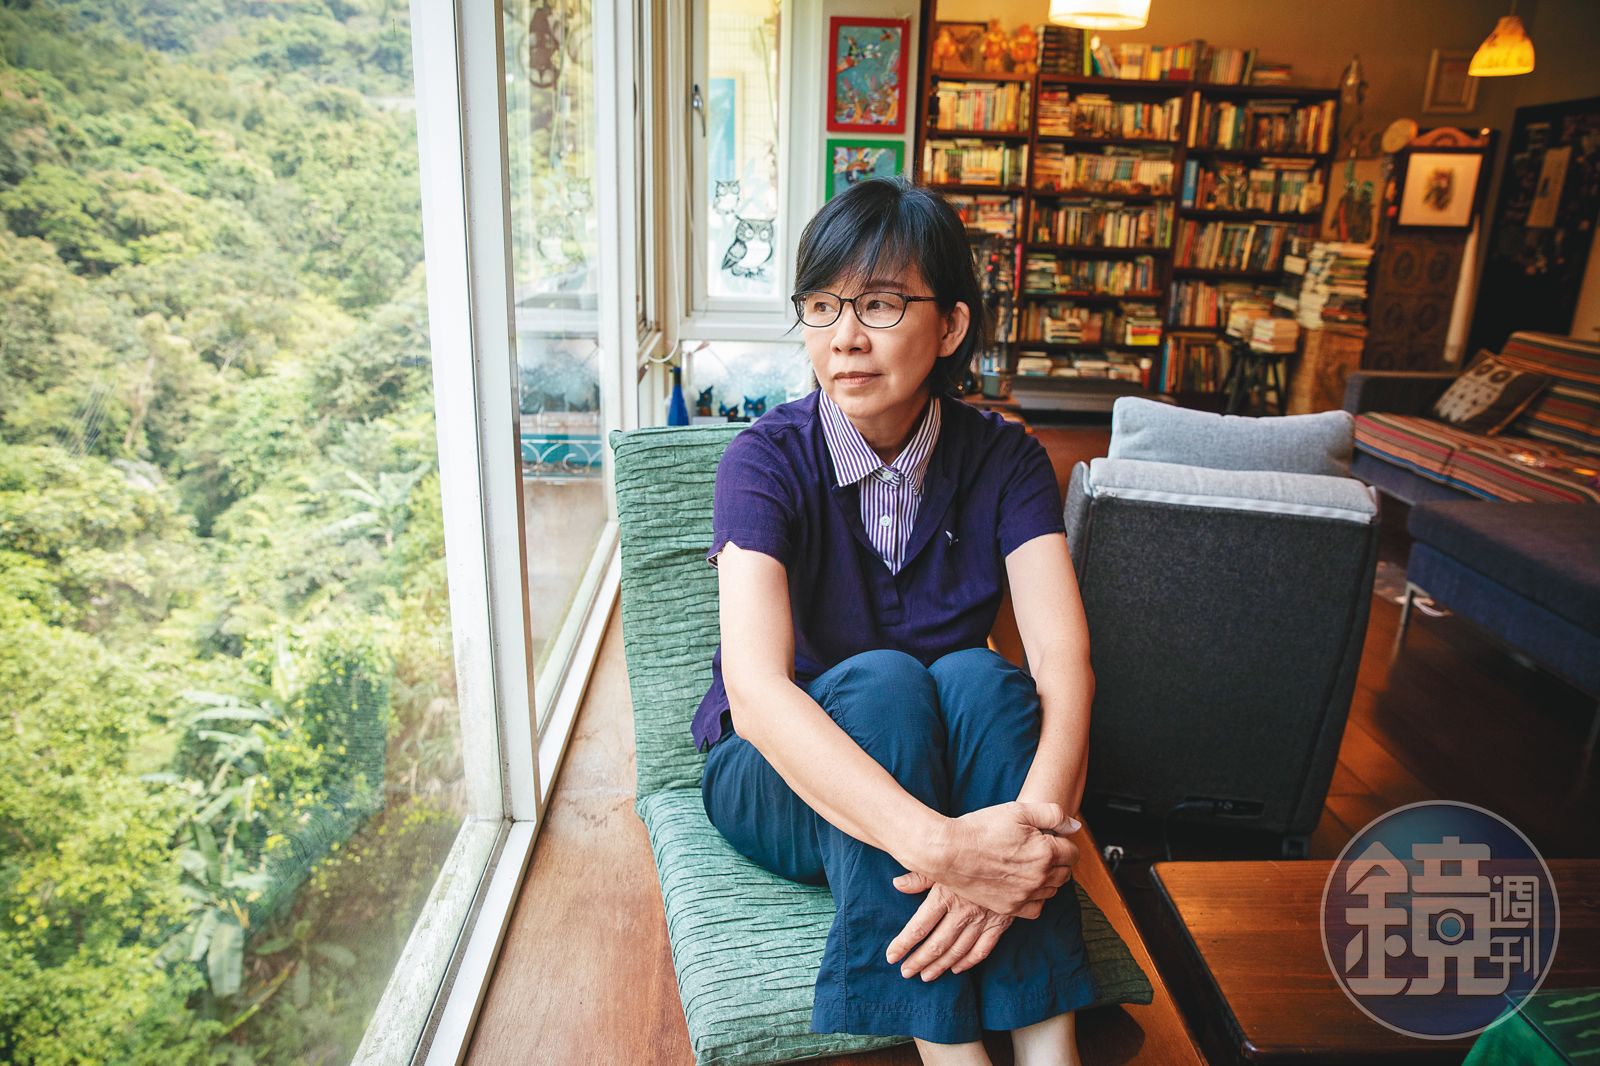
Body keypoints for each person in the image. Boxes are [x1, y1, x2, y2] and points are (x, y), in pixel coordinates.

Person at [695, 178, 1095, 1066]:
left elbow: (1063, 663)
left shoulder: (1006, 458)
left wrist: (1032, 839)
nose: (843, 337)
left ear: (949, 327)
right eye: (822, 305)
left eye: (879, 304)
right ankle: (950, 1050)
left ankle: (1049, 1047)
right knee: (883, 680)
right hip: (780, 775)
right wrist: (944, 848)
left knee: (982, 677)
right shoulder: (763, 461)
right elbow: (755, 694)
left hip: (940, 760)